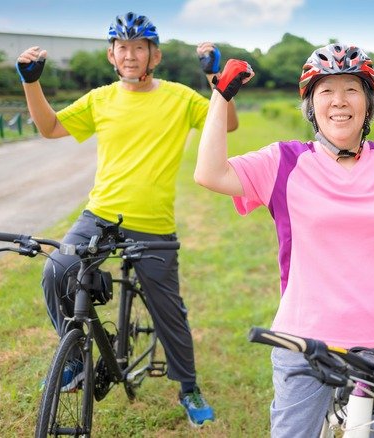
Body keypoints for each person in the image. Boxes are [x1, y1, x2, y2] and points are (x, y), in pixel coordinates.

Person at [194, 43, 374, 436]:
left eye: (352, 90)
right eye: (326, 91)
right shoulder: (284, 162)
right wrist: (220, 96)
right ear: (311, 106)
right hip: (305, 340)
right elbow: (210, 173)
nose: (339, 101)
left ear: (368, 104)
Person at [16, 12, 237, 427]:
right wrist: (31, 81)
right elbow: (49, 128)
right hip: (98, 214)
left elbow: (227, 123)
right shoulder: (101, 98)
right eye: (122, 47)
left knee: (168, 311)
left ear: (154, 55)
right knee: (56, 270)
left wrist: (215, 80)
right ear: (111, 55)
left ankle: (188, 386)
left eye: (140, 47)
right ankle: (74, 356)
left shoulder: (178, 97)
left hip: (153, 223)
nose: (130, 55)